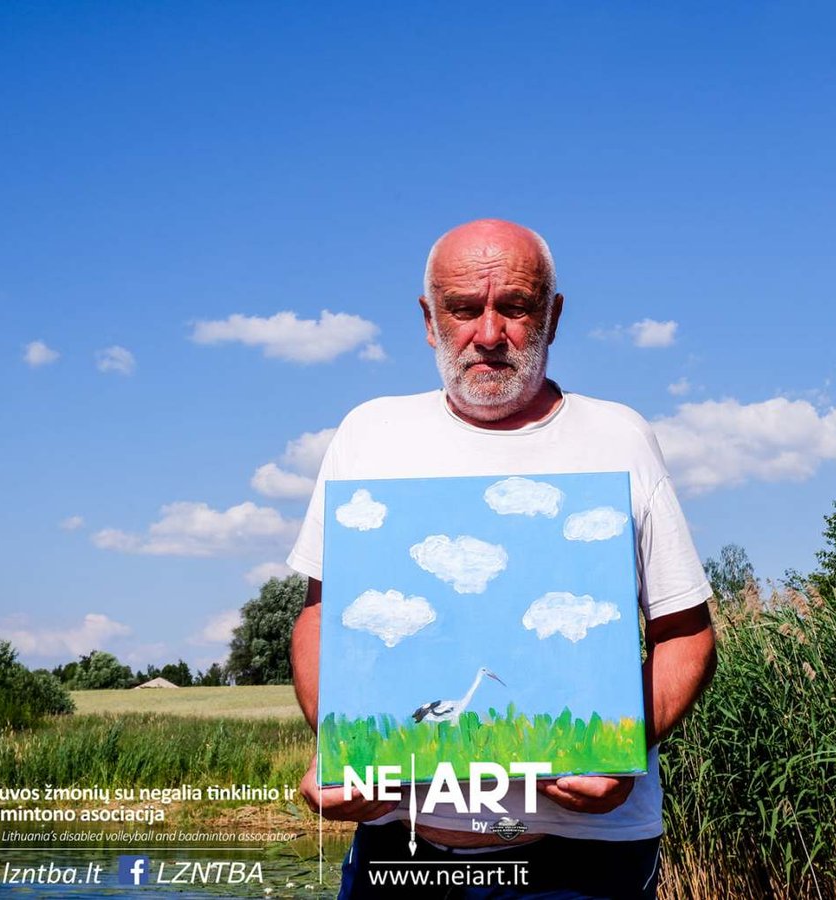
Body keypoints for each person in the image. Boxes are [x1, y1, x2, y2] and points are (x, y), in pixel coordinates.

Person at [287, 219, 717, 898]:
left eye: (514, 307)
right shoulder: (369, 434)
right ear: (429, 321)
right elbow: (320, 615)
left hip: (582, 863)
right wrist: (339, 749)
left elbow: (686, 632)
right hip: (399, 853)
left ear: (554, 316)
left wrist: (626, 748)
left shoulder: (619, 438)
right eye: (463, 309)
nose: (488, 334)